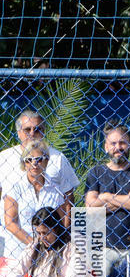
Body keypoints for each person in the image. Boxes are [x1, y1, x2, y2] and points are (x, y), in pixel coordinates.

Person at [0, 108, 78, 253]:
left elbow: (68, 199)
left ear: (44, 131)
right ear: (18, 132)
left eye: (37, 129)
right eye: (27, 129)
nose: (32, 133)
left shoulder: (58, 158)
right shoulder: (3, 158)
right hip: (14, 244)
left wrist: (61, 236)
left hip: (52, 245)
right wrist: (35, 245)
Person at [84, 122, 130, 274]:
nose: (118, 147)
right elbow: (90, 207)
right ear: (106, 146)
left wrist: (106, 197)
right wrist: (127, 200)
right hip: (102, 247)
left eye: (122, 143)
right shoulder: (95, 172)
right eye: (113, 143)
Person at [3, 140, 66, 263]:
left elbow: (60, 222)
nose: (34, 164)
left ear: (46, 161)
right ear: (24, 163)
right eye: (29, 160)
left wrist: (48, 247)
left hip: (49, 254)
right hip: (18, 253)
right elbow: (10, 223)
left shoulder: (55, 189)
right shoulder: (14, 187)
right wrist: (34, 245)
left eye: (39, 159)